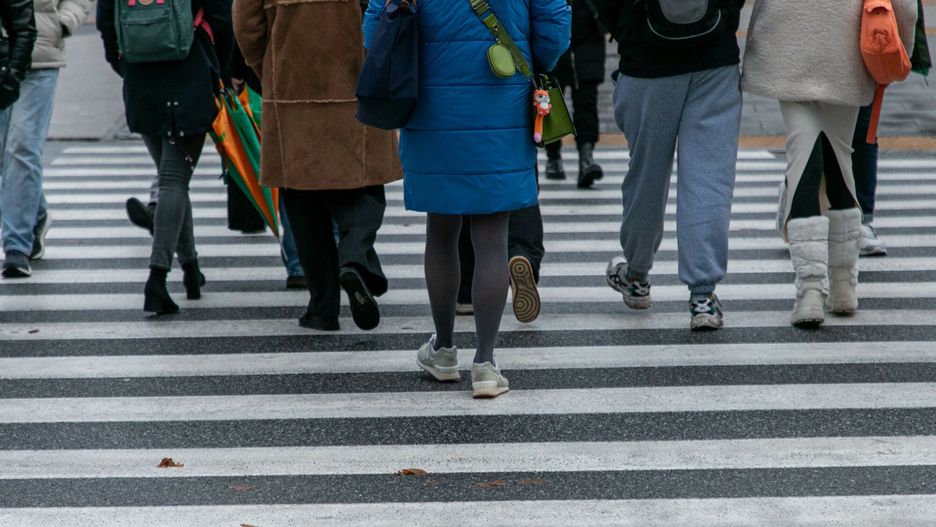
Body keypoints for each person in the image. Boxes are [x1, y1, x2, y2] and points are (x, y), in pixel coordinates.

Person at [364, 0, 570, 398]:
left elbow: (376, 29)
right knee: (493, 238)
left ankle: (443, 350)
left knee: (441, 231)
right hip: (503, 98)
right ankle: (486, 364)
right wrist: (526, 54)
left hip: (431, 101)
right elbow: (555, 26)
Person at [742, 0, 917, 327]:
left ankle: (810, 290)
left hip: (788, 47)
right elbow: (904, 7)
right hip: (846, 52)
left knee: (802, 159)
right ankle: (843, 286)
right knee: (841, 162)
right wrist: (899, 49)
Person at [234, 0, 402, 332]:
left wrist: (268, 66)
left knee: (302, 198)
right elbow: (385, 10)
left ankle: (322, 308)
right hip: (356, 81)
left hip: (290, 87)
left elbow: (246, 23)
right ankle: (355, 258)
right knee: (363, 187)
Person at [601, 0, 746, 331]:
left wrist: (628, 29)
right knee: (709, 179)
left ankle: (636, 274)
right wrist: (723, 17)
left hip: (645, 61)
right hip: (714, 58)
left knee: (646, 176)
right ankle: (703, 296)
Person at [98, 0, 235, 313]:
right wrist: (222, 69)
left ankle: (191, 268)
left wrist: (126, 64)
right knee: (174, 180)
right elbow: (221, 17)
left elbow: (106, 23)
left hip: (140, 79)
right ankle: (157, 278)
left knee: (171, 178)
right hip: (189, 73)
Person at [1, 0, 87, 278]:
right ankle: (36, 215)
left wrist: (63, 22)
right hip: (2, 54)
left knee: (21, 147)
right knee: (5, 155)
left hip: (39, 55)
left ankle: (16, 245)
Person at [852, 0, 931, 258]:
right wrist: (900, 52)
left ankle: (803, 211)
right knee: (862, 131)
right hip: (865, 33)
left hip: (817, 42)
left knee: (812, 131)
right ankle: (860, 221)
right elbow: (905, 9)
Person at [544, 0, 606, 189]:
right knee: (550, 98)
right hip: (554, 33)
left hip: (588, 33)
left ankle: (586, 158)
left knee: (586, 98)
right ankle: (553, 156)